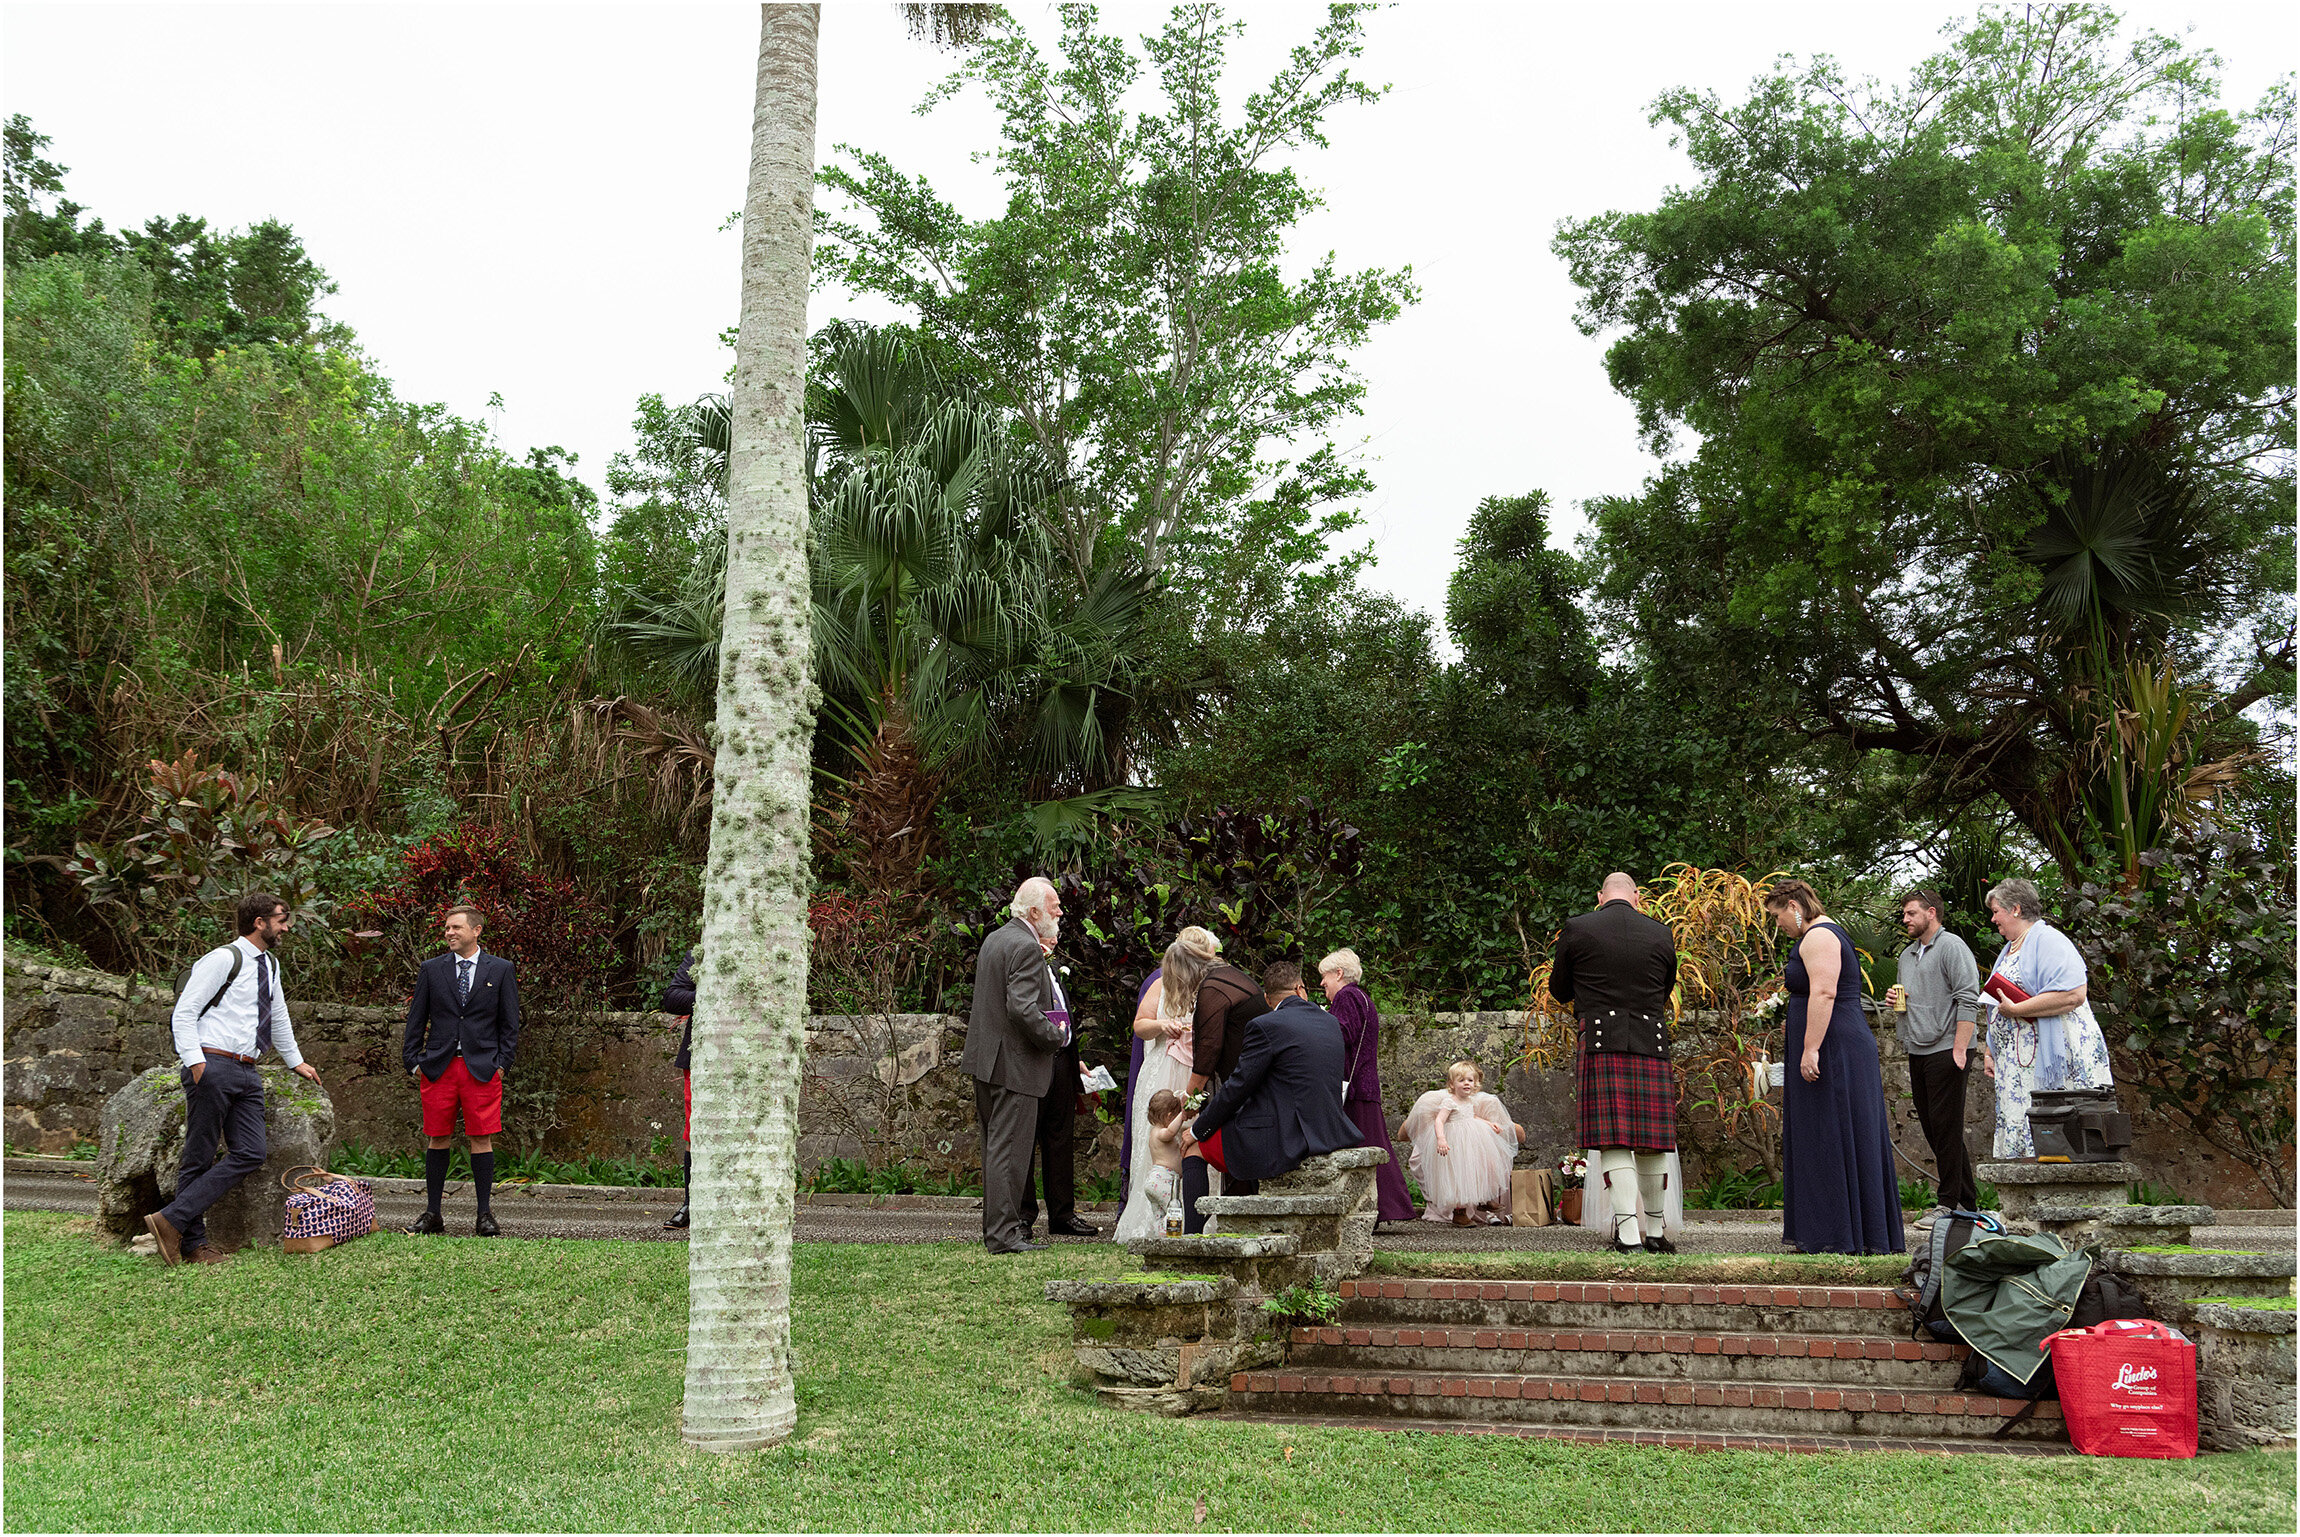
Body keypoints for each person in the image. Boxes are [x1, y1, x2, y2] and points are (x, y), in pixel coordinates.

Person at [143, 891, 324, 1266]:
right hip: (212, 1064)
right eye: (281, 918)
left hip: (247, 1070)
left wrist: (296, 1061)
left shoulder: (270, 964)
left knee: (251, 1152)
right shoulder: (224, 959)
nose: (286, 925)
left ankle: (170, 1219)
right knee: (199, 1157)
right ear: (259, 923)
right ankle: (194, 1245)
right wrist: (195, 1062)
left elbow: (278, 1016)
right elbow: (184, 1012)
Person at [1766, 879, 1904, 1255]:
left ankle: (1840, 1234)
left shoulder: (1819, 936)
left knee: (1833, 1131)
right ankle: (1831, 1229)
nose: (1779, 926)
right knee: (1822, 1132)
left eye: (1779, 917)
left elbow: (1824, 992)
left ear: (1794, 906)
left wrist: (1810, 1049)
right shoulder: (1816, 936)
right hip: (1832, 1041)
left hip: (1835, 1046)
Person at [1548, 872, 1683, 1254]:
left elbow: (1558, 989)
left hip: (1601, 1039)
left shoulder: (1578, 928)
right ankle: (1655, 1233)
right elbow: (1665, 986)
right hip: (1650, 1039)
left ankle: (1627, 1236)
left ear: (1599, 897)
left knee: (1614, 1138)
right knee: (1653, 1142)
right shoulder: (1661, 933)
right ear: (1637, 897)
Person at [960, 876, 1072, 1254]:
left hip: (987, 1062)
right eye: (1054, 906)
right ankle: (1004, 1235)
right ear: (1035, 911)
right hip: (1016, 1066)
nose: (1059, 912)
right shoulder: (1026, 947)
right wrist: (1056, 1037)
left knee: (995, 1149)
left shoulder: (995, 938)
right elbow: (1021, 1008)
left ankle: (999, 1230)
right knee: (1009, 1152)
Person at [402, 905, 523, 1237]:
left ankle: (484, 1215)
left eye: (456, 927)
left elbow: (510, 1023)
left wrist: (502, 1065)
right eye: (446, 928)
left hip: (482, 1069)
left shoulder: (500, 970)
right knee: (437, 1137)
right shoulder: (432, 969)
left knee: (481, 1138)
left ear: (476, 930)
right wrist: (413, 1061)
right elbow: (417, 1018)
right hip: (439, 1068)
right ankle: (433, 1214)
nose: (449, 933)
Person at [1182, 962, 1361, 1184]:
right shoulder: (1331, 1022)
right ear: (1300, 988)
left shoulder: (1265, 1025)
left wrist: (1198, 1130)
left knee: (1195, 1150)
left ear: (1267, 999)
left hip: (1286, 1138)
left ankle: (1188, 1220)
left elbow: (1238, 1086)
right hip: (1330, 1130)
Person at [1978, 878, 2114, 1159]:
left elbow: (2073, 994)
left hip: (2054, 1056)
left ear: (2015, 909)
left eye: (1996, 911)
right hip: (2016, 1065)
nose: (1993, 919)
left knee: (2059, 1129)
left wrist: (2018, 1010)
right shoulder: (2010, 948)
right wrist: (1991, 1049)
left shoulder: (2049, 939)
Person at [1123, 929, 1223, 1239]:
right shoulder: (1160, 984)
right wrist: (1163, 1025)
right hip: (1163, 1069)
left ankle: (1200, 1216)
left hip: (1197, 1070)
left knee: (1197, 1135)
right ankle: (1151, 1218)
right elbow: (1140, 1025)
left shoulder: (1209, 987)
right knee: (1159, 1138)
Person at [1891, 890, 1981, 1211]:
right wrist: (1895, 1003)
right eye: (1904, 914)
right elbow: (1911, 1002)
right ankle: (1968, 1204)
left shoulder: (1952, 947)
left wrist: (1960, 1049)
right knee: (1935, 1127)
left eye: (1911, 913)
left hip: (1948, 1048)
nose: (1905, 919)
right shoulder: (1906, 956)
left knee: (1945, 1126)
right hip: (1918, 1050)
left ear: (1931, 913)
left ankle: (1948, 1203)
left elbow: (1968, 997)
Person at [1319, 949, 1418, 1224]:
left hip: (1354, 1087)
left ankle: (1383, 1208)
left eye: (1325, 976)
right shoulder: (1362, 998)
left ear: (1339, 973)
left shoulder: (1346, 997)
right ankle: (1388, 1207)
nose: (1322, 983)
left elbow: (1342, 1034)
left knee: (1362, 1149)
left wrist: (1320, 1021)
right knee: (1372, 1146)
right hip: (1364, 1085)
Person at [1174, 949, 1264, 1233]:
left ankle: (1191, 1235)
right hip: (1253, 1086)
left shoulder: (1213, 987)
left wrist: (1191, 1101)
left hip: (1243, 1091)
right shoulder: (1233, 977)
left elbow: (1208, 1050)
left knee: (1193, 1148)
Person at [1401, 1060, 1519, 1226]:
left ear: (1476, 1083)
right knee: (1459, 1176)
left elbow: (1471, 1116)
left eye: (1470, 1080)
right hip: (1456, 1140)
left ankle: (1483, 1199)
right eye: (1462, 1080)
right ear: (1452, 1084)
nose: (1467, 1084)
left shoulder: (1469, 1101)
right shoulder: (1450, 1101)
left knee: (1477, 1168)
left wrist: (1488, 1123)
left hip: (1472, 1136)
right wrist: (1441, 1138)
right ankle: (1460, 1214)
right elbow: (1439, 1121)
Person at [1115, 1089, 1192, 1241]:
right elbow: (1170, 1132)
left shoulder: (1152, 1131)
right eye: (1174, 1116)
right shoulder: (1159, 1132)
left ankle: (1158, 1237)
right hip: (1163, 1180)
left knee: (1160, 1216)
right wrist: (1182, 1116)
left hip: (1154, 1182)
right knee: (1176, 1211)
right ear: (1170, 1116)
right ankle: (1170, 1238)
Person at [659, 945, 698, 1230]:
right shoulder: (700, 953)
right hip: (700, 1055)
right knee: (693, 1131)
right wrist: (714, 995)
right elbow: (672, 998)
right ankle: (690, 1204)